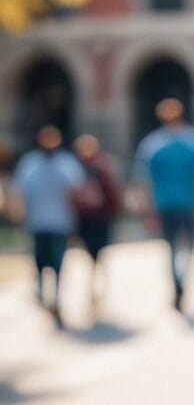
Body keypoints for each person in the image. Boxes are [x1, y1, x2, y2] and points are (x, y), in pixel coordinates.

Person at [134, 98, 194, 311]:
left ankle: (177, 279)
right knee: (191, 245)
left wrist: (147, 210)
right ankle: (181, 275)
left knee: (171, 248)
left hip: (164, 205)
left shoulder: (152, 144)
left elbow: (143, 181)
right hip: (188, 203)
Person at [11, 126, 85, 327]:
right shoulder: (30, 163)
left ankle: (57, 296)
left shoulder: (66, 163)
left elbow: (77, 191)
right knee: (40, 259)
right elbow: (18, 190)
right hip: (37, 221)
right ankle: (42, 290)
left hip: (60, 222)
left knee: (58, 261)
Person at [71, 133, 122, 315]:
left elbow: (113, 192)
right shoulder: (74, 168)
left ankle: (96, 283)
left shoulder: (103, 167)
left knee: (98, 252)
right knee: (87, 252)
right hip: (84, 218)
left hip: (100, 217)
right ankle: (91, 283)